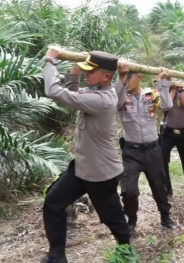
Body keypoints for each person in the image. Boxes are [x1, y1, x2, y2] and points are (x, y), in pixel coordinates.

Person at [42, 49, 131, 263]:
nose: (86, 75)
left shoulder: (101, 100)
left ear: (106, 77)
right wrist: (76, 68)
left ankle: (127, 252)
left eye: (90, 72)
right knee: (53, 202)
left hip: (101, 172)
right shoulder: (95, 92)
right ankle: (57, 255)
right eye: (86, 72)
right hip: (82, 166)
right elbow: (74, 92)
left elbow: (54, 91)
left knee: (113, 218)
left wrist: (50, 60)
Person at [115, 65, 177, 233]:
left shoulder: (151, 95)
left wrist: (162, 81)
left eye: (129, 78)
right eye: (124, 79)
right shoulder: (122, 98)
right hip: (131, 152)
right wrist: (120, 78)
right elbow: (114, 101)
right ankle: (131, 218)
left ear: (139, 77)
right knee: (128, 190)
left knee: (159, 186)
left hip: (152, 150)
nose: (126, 82)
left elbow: (166, 105)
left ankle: (165, 216)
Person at [160, 81, 184, 196]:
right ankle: (167, 187)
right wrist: (172, 90)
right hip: (168, 132)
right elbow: (166, 106)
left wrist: (180, 90)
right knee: (162, 158)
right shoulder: (165, 92)